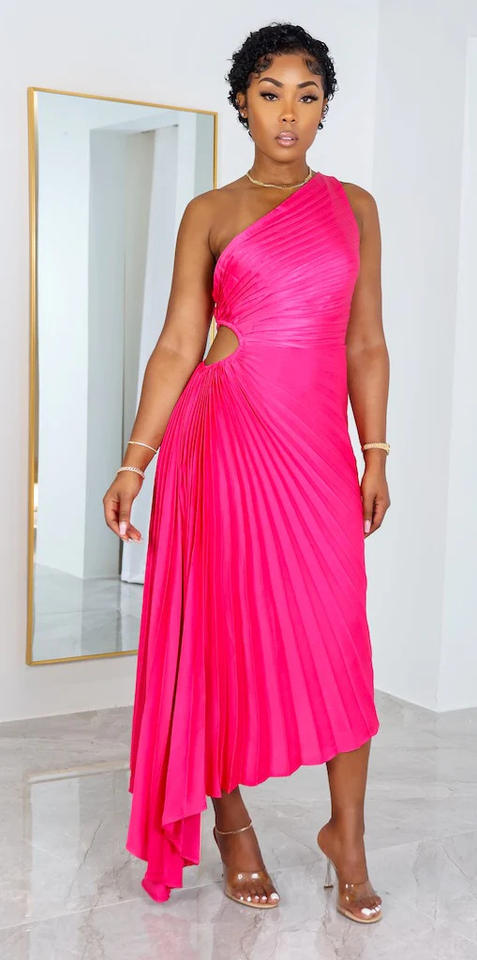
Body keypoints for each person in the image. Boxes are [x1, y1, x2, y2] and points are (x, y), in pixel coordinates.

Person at [103, 22, 390, 924]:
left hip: (314, 450)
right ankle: (233, 828)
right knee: (220, 637)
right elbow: (178, 345)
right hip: (221, 439)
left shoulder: (353, 207)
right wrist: (135, 460)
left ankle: (346, 836)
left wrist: (375, 451)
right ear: (241, 103)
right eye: (271, 94)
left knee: (339, 636)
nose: (289, 113)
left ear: (325, 107)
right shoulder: (210, 212)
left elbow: (365, 341)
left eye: (308, 95)